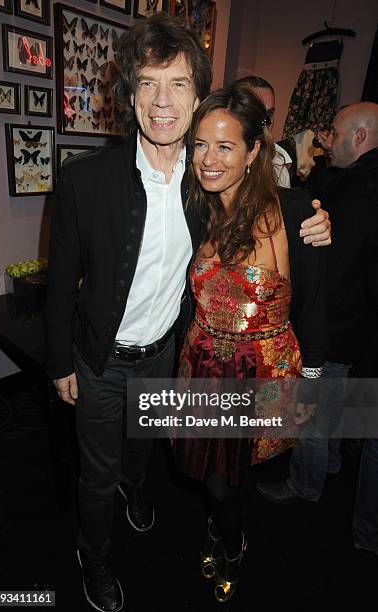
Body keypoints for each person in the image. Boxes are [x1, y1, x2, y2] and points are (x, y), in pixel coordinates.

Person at [45, 13, 331, 612]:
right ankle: (93, 556)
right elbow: (59, 285)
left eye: (176, 83)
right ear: (129, 96)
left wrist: (317, 217)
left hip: (169, 357)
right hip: (98, 359)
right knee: (95, 477)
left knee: (145, 450)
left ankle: (137, 488)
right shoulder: (83, 181)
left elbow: (266, 195)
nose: (162, 100)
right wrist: (58, 362)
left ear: (197, 96)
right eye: (147, 83)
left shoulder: (206, 183)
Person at [173, 83, 327, 603]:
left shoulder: (299, 210)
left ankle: (231, 539)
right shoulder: (197, 207)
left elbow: (317, 306)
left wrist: (313, 384)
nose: (208, 160)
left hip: (263, 368)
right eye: (199, 145)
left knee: (230, 476)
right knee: (213, 474)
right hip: (201, 365)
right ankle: (225, 528)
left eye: (224, 146)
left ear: (254, 150)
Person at [256, 102, 378, 505]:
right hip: (354, 326)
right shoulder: (356, 178)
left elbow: (333, 266)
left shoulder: (362, 189)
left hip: (335, 326)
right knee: (332, 409)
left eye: (337, 136)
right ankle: (329, 466)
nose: (329, 144)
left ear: (360, 137)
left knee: (310, 417)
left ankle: (304, 486)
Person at [233, 75, 293, 186]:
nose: (266, 121)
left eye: (269, 114)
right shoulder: (216, 158)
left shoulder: (278, 167)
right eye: (256, 113)